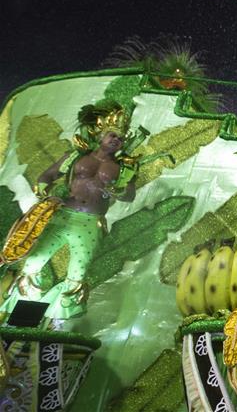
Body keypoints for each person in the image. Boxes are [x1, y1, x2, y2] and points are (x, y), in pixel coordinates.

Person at [1, 100, 142, 319]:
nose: (117, 140)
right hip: (62, 215)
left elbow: (130, 196)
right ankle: (20, 318)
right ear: (100, 134)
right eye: (113, 135)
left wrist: (119, 191)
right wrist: (45, 194)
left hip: (90, 224)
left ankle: (58, 323)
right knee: (34, 261)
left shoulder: (125, 167)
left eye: (121, 138)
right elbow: (46, 176)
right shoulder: (76, 157)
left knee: (78, 271)